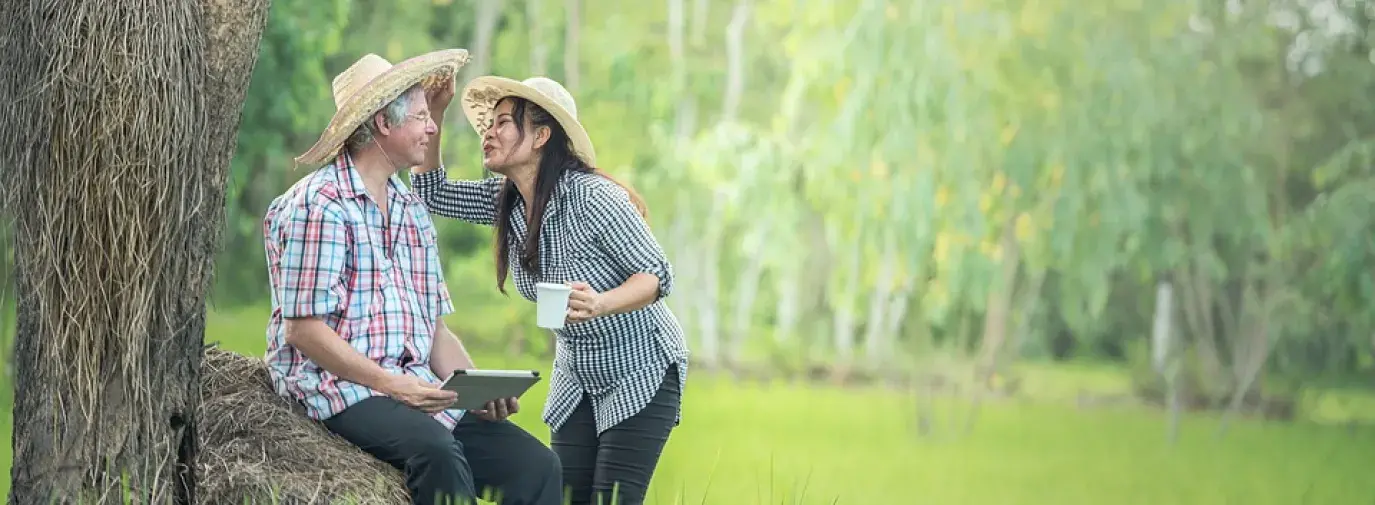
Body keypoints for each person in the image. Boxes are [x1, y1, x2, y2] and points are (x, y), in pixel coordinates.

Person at [262, 50, 562, 505]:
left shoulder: (409, 210)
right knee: (436, 452)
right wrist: (390, 384)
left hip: (410, 386)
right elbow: (304, 330)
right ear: (385, 124)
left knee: (536, 466)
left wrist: (478, 387)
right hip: (338, 388)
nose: (432, 127)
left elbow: (432, 329)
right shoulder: (319, 205)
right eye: (421, 116)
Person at [408, 75, 690, 505]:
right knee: (562, 495)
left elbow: (656, 274)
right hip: (577, 373)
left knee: (612, 499)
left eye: (504, 122)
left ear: (541, 135)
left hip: (640, 369)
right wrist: (437, 111)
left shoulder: (592, 197)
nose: (489, 131)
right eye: (489, 123)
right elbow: (431, 192)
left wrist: (601, 302)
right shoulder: (508, 202)